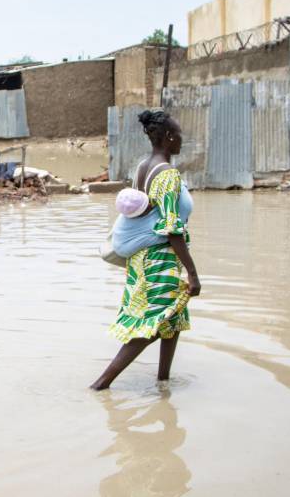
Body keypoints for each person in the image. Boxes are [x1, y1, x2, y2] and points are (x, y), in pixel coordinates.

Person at [90, 110, 200, 391]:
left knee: (172, 320)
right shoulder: (168, 176)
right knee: (152, 323)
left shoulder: (143, 167)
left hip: (142, 258)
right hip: (159, 260)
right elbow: (172, 227)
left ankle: (163, 382)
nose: (181, 142)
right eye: (179, 137)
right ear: (168, 137)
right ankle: (101, 384)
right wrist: (192, 272)